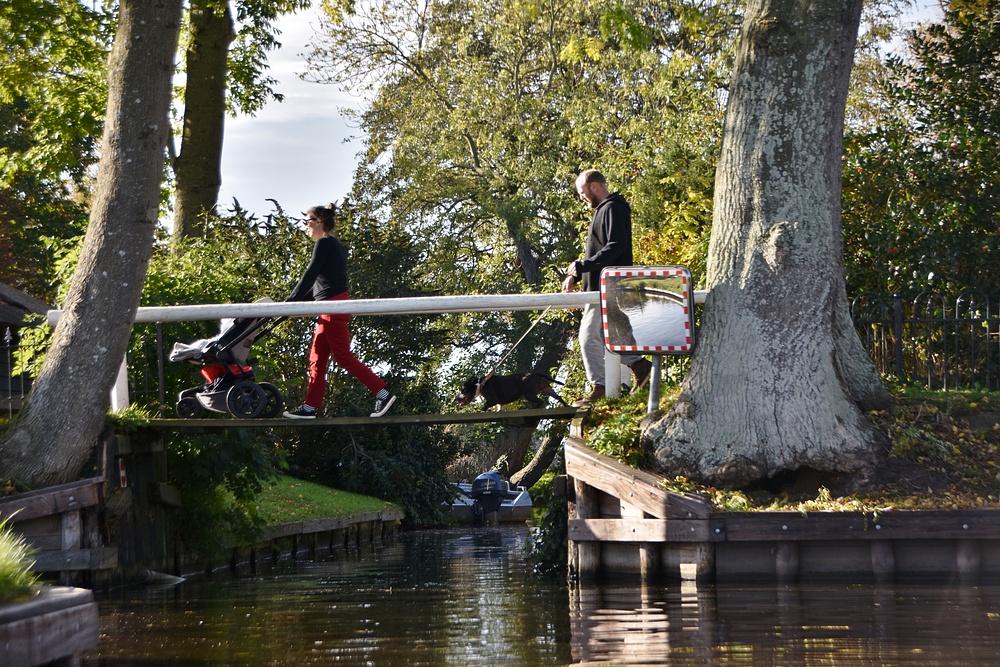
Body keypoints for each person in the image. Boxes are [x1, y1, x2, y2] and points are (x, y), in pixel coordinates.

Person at [282, 203, 396, 419]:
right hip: (328, 307)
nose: (306, 227)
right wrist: (293, 303)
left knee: (343, 357)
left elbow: (310, 274)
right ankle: (310, 407)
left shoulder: (325, 243)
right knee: (317, 359)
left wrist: (292, 301)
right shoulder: (332, 245)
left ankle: (382, 392)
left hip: (333, 306)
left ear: (318, 222)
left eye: (307, 222)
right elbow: (318, 285)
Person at [562, 169, 651, 404]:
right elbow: (602, 253)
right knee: (611, 335)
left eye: (582, 192)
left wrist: (583, 265)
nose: (581, 198)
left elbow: (616, 246)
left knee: (589, 337)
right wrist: (578, 274)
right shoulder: (606, 209)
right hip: (602, 285)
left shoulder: (612, 208)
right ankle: (641, 368)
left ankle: (601, 387)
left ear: (593, 187)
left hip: (607, 287)